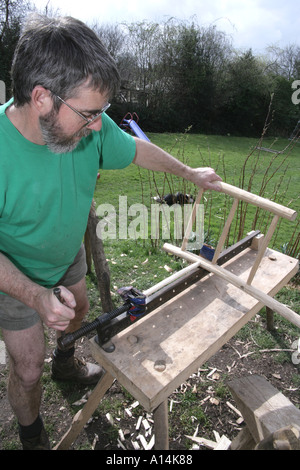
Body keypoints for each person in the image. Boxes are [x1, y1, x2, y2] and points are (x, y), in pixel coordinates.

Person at [0, 14, 222, 450]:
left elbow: (135, 148)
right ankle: (32, 435)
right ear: (41, 97)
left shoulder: (89, 130)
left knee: (79, 314)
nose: (100, 125)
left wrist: (190, 173)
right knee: (26, 368)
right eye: (90, 113)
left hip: (65, 257)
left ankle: (66, 362)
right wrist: (35, 296)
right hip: (14, 276)